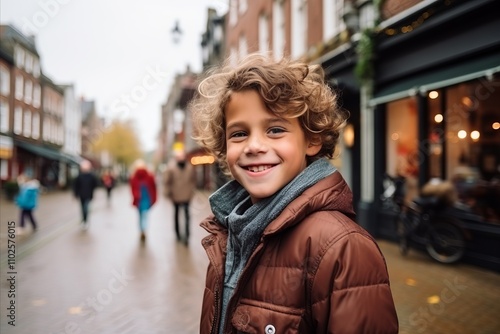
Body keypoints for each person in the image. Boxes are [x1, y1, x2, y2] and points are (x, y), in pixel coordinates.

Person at [190, 54, 399, 333]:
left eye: (275, 130)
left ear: (311, 140)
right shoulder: (228, 236)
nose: (253, 146)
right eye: (238, 134)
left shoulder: (342, 248)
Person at [163, 149, 196, 245]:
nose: (180, 158)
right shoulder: (171, 169)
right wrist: (168, 193)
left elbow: (193, 180)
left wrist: (191, 192)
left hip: (186, 195)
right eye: (179, 157)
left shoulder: (190, 168)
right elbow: (167, 182)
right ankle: (177, 234)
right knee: (177, 214)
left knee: (186, 215)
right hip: (175, 195)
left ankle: (187, 235)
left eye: (182, 156)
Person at [129, 159, 157, 242]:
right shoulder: (147, 176)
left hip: (143, 199)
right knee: (143, 215)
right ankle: (143, 230)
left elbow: (153, 188)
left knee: (142, 215)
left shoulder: (136, 177)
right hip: (142, 199)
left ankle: (142, 230)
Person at [73, 160, 98, 230]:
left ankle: (85, 221)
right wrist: (76, 193)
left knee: (85, 208)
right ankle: (83, 220)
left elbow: (95, 184)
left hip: (88, 195)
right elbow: (76, 185)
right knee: (82, 208)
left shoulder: (91, 176)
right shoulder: (79, 176)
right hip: (81, 195)